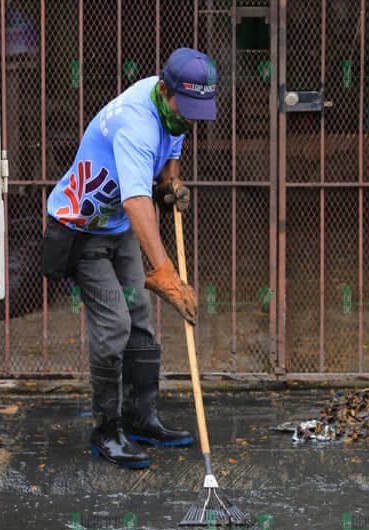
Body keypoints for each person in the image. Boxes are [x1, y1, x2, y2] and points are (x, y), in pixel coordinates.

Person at [42, 48, 218, 469]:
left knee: (140, 315)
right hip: (81, 229)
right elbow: (137, 199)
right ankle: (106, 430)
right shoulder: (135, 123)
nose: (191, 118)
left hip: (117, 227)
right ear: (164, 90)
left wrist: (170, 185)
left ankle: (141, 418)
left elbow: (165, 166)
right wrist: (164, 271)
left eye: (198, 110)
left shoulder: (173, 111)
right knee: (115, 324)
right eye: (187, 108)